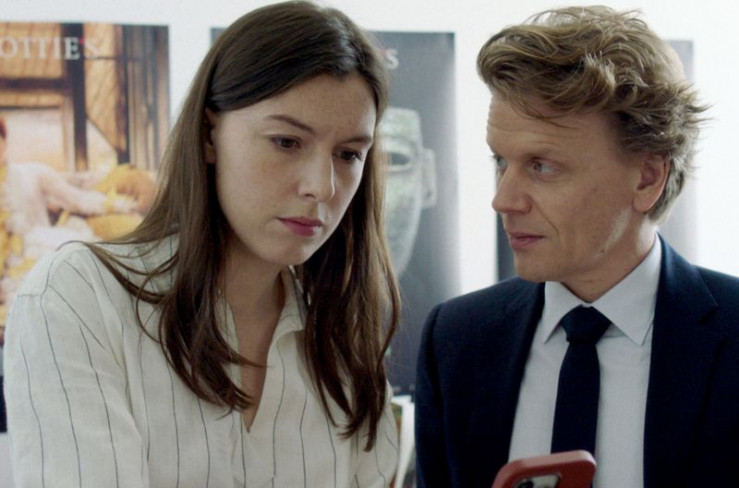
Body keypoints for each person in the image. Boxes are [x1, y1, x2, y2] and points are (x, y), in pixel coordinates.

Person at [3, 1, 402, 486]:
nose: (321, 186)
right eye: (286, 142)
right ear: (211, 135)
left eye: (348, 154)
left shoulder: (344, 347)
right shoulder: (80, 297)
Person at [415, 6, 739, 488]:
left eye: (542, 166)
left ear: (647, 177)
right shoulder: (457, 339)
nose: (503, 199)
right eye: (500, 161)